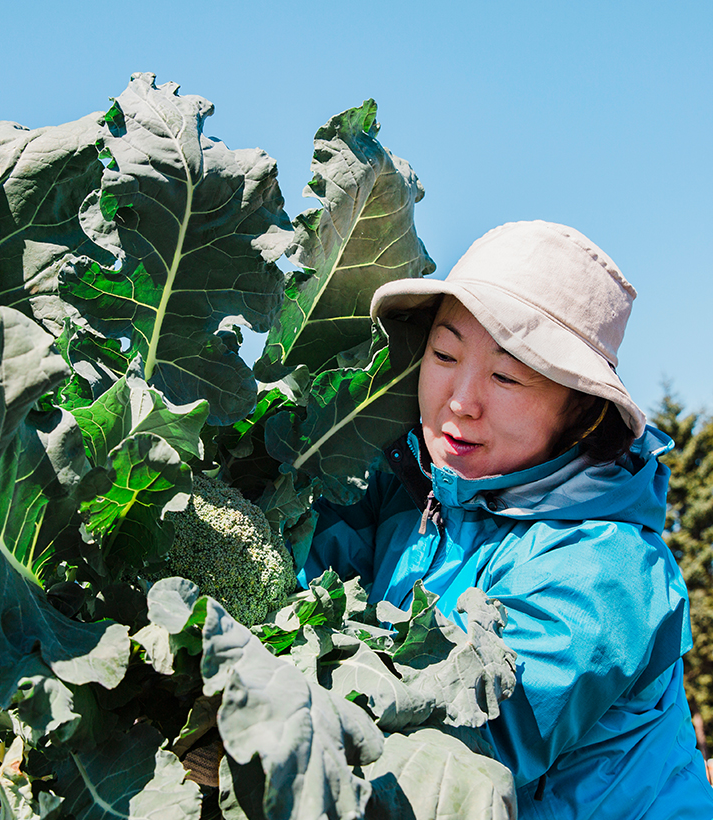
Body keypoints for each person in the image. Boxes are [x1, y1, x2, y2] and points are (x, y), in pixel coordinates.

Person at [300, 221, 713, 818]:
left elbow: (468, 738)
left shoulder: (605, 567)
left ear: (582, 413)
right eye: (444, 354)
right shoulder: (400, 490)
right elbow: (295, 568)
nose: (461, 400)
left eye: (506, 375)